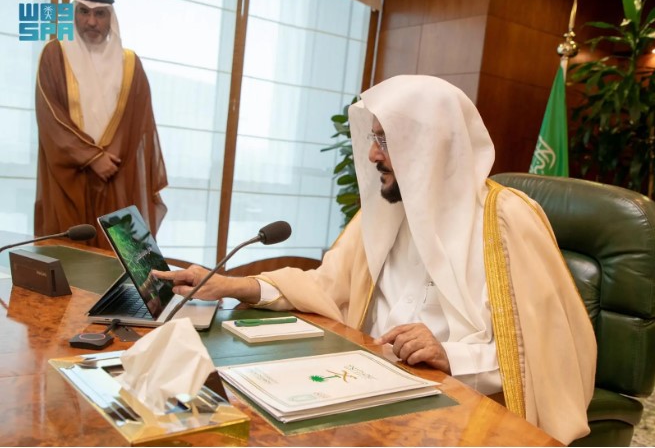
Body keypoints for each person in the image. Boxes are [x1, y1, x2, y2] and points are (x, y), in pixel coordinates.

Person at [152, 75, 596, 444]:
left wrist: (451, 355)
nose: (372, 154)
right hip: (364, 384)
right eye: (374, 137)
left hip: (458, 411)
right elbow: (325, 286)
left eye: (386, 139)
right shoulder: (382, 214)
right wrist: (227, 284)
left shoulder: (506, 220)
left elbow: (547, 355)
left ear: (430, 144)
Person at [34, 0, 167, 249]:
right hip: (68, 176)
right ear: (73, 14)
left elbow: (138, 121)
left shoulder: (130, 63)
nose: (92, 21)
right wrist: (93, 157)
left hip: (118, 174)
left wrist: (110, 158)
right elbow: (50, 116)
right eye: (84, 12)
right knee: (69, 255)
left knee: (123, 257)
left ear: (111, 18)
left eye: (100, 14)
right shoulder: (54, 53)